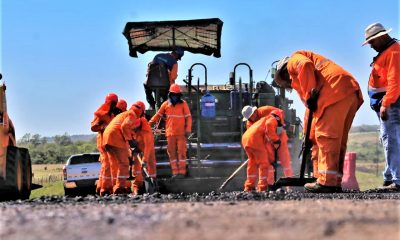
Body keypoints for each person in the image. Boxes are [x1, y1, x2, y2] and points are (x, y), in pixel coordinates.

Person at [274, 50, 364, 193]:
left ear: (284, 73)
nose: (289, 85)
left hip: (335, 92)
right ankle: (333, 181)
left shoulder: (293, 62)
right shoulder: (312, 80)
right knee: (337, 141)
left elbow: (305, 64)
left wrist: (310, 93)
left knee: (326, 138)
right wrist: (308, 136)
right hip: (348, 92)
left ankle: (327, 183)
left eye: (286, 82)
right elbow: (311, 112)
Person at [363, 22, 400, 191]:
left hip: (391, 103)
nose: (370, 45)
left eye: (372, 41)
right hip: (386, 103)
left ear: (381, 37)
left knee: (390, 140)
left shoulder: (394, 52)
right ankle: (389, 176)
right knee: (389, 139)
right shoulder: (389, 52)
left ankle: (397, 180)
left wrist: (385, 104)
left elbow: (395, 82)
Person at [241, 106, 293, 186]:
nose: (251, 119)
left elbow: (279, 112)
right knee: (268, 162)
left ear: (254, 112)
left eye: (251, 116)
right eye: (249, 118)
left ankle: (290, 184)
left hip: (279, 137)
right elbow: (253, 135)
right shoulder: (249, 123)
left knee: (285, 160)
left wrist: (280, 123)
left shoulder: (265, 110)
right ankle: (270, 184)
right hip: (266, 142)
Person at [149, 84, 192, 178]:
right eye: (173, 94)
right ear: (170, 95)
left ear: (179, 95)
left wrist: (188, 129)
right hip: (170, 134)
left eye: (177, 95)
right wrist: (148, 124)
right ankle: (175, 173)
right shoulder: (165, 105)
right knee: (172, 153)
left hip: (181, 134)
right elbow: (157, 115)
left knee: (182, 153)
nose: (175, 97)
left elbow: (188, 117)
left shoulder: (183, 104)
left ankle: (182, 173)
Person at [102, 104, 141, 194]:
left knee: (115, 164)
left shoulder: (123, 115)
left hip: (107, 137)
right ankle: (119, 188)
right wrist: (131, 141)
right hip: (115, 137)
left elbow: (124, 128)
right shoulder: (132, 114)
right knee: (124, 163)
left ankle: (113, 187)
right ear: (140, 110)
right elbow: (124, 126)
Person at [242, 113, 282, 192]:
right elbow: (269, 125)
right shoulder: (271, 118)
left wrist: (271, 158)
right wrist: (275, 139)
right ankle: (262, 187)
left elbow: (266, 144)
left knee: (252, 163)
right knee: (263, 163)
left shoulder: (261, 121)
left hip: (245, 138)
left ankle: (249, 187)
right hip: (254, 139)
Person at [90, 93, 119, 195]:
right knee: (106, 166)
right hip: (103, 143)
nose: (114, 105)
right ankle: (105, 189)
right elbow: (93, 127)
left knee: (111, 166)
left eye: (116, 103)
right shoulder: (101, 114)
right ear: (109, 103)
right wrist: (103, 127)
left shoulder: (112, 114)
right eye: (113, 103)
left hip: (111, 144)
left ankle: (106, 187)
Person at [130, 101, 157, 194]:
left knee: (150, 166)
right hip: (137, 149)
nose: (135, 131)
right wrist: (134, 146)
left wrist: (145, 160)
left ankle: (152, 186)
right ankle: (136, 190)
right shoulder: (132, 122)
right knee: (136, 170)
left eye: (136, 129)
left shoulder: (146, 131)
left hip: (147, 150)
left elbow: (148, 147)